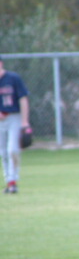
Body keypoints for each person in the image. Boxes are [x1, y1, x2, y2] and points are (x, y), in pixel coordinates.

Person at [0, 55, 31, 195]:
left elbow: (23, 99)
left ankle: (13, 180)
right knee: (3, 152)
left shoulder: (13, 78)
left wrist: (25, 121)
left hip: (14, 117)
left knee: (12, 149)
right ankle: (9, 181)